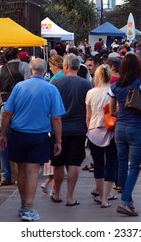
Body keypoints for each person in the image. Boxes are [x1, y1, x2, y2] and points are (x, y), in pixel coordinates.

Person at [0, 58, 65, 221]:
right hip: (39, 135)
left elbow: (7, 112)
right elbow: (56, 118)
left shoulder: (19, 87)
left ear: (30, 70)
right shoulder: (51, 89)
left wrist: (2, 133)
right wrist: (58, 140)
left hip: (18, 133)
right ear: (45, 72)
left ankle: (24, 204)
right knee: (33, 170)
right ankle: (28, 206)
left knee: (21, 170)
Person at [108, 52, 141, 216]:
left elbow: (112, 111)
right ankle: (125, 200)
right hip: (135, 127)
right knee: (134, 166)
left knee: (122, 164)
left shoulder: (115, 86)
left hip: (119, 128)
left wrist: (123, 114)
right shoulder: (140, 83)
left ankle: (129, 201)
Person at [50, 54, 92, 206]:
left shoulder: (56, 82)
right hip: (79, 129)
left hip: (58, 129)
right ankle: (70, 196)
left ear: (65, 66)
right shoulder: (86, 85)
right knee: (74, 163)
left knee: (58, 163)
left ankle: (57, 192)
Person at [0, 48, 30, 186]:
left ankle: (5, 175)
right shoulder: (23, 66)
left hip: (4, 107)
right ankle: (23, 172)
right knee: (23, 137)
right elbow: (28, 86)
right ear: (17, 56)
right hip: (20, 108)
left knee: (4, 140)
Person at [86, 64, 118, 208]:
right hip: (111, 129)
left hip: (94, 129)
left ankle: (99, 194)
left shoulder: (91, 92)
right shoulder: (113, 90)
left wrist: (89, 129)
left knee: (98, 163)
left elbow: (88, 116)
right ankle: (105, 197)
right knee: (111, 163)